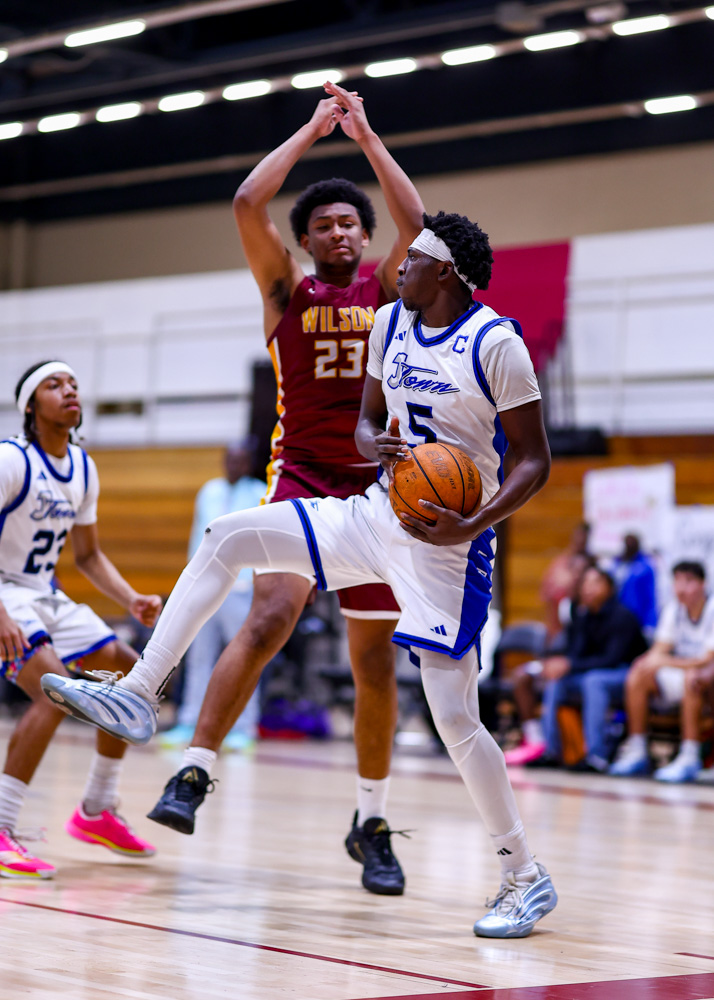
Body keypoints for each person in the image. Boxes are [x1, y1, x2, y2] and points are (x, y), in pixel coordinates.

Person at [43, 209, 559, 938]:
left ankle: (524, 876)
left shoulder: (496, 343)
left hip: (449, 546)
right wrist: (372, 443)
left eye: (412, 260)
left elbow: (535, 458)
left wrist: (473, 523)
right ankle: (137, 692)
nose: (399, 268)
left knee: (454, 718)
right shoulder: (390, 324)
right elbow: (366, 421)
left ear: (444, 271)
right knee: (227, 537)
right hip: (375, 514)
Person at [157, 81, 424, 896]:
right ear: (305, 240)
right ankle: (195, 770)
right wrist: (313, 128)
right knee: (270, 613)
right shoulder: (287, 291)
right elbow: (247, 201)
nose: (339, 231)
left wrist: (367, 137)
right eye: (324, 224)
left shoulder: (388, 291)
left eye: (350, 223)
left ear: (365, 238)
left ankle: (371, 821)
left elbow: (417, 223)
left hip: (375, 489)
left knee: (373, 663)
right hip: (303, 476)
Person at [0, 361, 161, 878]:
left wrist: (130, 597)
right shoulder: (11, 460)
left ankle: (95, 809)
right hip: (3, 592)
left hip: (41, 593)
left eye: (72, 384)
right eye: (54, 385)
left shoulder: (83, 467)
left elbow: (88, 556)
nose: (69, 391)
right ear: (31, 406)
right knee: (53, 690)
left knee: (126, 675)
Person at [159, 441, 266, 751]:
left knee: (245, 657)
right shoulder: (209, 491)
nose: (234, 464)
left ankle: (244, 727)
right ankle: (188, 722)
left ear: (248, 463)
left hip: (241, 589)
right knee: (198, 657)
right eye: (230, 459)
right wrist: (190, 580)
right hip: (205, 586)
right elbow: (198, 537)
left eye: (241, 460)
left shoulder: (260, 493)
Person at [525, 566, 647, 772]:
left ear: (609, 588)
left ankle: (597, 756)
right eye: (585, 583)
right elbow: (575, 654)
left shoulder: (623, 616)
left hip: (627, 674)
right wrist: (559, 664)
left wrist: (571, 664)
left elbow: (612, 659)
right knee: (558, 681)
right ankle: (551, 751)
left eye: (596, 583)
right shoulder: (583, 616)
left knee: (594, 681)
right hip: (593, 672)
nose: (589, 588)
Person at [610, 561, 714, 782]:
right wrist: (648, 662)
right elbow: (659, 650)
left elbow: (707, 659)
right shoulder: (673, 609)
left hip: (706, 680)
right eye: (677, 581)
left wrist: (664, 661)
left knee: (692, 678)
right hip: (682, 671)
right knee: (638, 673)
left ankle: (690, 755)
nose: (681, 588)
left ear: (703, 584)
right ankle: (636, 749)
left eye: (688, 581)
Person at [540, 522, 591, 640]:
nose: (580, 540)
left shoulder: (592, 564)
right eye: (579, 536)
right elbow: (546, 592)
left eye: (584, 538)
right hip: (558, 623)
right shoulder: (560, 563)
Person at [611, 534, 658, 638]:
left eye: (632, 543)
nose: (629, 546)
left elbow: (650, 596)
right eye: (627, 543)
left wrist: (650, 623)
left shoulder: (645, 567)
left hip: (636, 615)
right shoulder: (616, 564)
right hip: (616, 614)